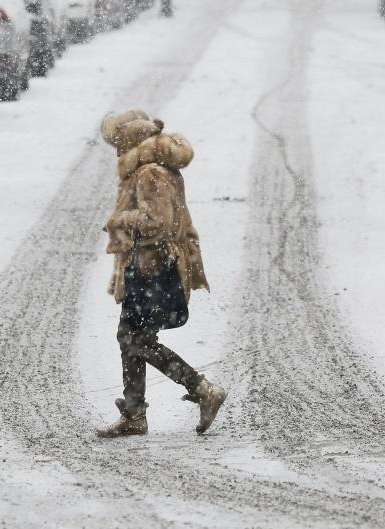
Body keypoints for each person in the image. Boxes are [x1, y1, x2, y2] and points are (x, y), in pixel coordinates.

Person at [95, 109, 227, 438]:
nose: (115, 150)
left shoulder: (150, 173)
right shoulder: (151, 168)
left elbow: (159, 223)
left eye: (117, 142)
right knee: (131, 337)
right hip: (149, 267)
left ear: (129, 140)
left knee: (135, 338)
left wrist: (120, 221)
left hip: (155, 269)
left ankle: (202, 389)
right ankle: (134, 414)